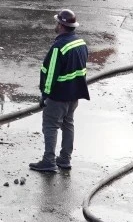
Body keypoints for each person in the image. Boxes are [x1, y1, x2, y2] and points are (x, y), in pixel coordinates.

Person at [31, 9, 89, 172]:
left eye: (57, 22)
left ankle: (49, 161)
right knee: (68, 123)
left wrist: (45, 95)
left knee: (50, 126)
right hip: (74, 94)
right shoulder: (80, 43)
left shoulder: (59, 47)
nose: (55, 25)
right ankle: (64, 159)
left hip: (59, 96)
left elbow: (50, 75)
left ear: (62, 25)